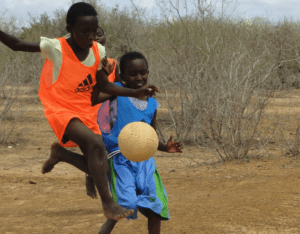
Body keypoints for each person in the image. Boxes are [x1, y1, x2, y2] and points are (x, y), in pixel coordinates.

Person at [0, 2, 159, 221]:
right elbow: (16, 44)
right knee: (95, 144)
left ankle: (61, 154)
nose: (90, 36)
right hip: (60, 107)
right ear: (69, 29)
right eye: (84, 31)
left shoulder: (98, 50)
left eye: (94, 31)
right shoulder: (56, 48)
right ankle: (108, 204)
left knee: (101, 166)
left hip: (86, 107)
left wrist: (135, 91)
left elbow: (103, 86)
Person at [95, 51, 182, 234]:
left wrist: (164, 148)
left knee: (155, 205)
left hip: (145, 161)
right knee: (124, 204)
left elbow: (149, 136)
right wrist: (103, 74)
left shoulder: (151, 103)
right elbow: (94, 98)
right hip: (120, 159)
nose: (139, 78)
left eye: (143, 73)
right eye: (133, 74)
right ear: (122, 76)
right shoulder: (117, 92)